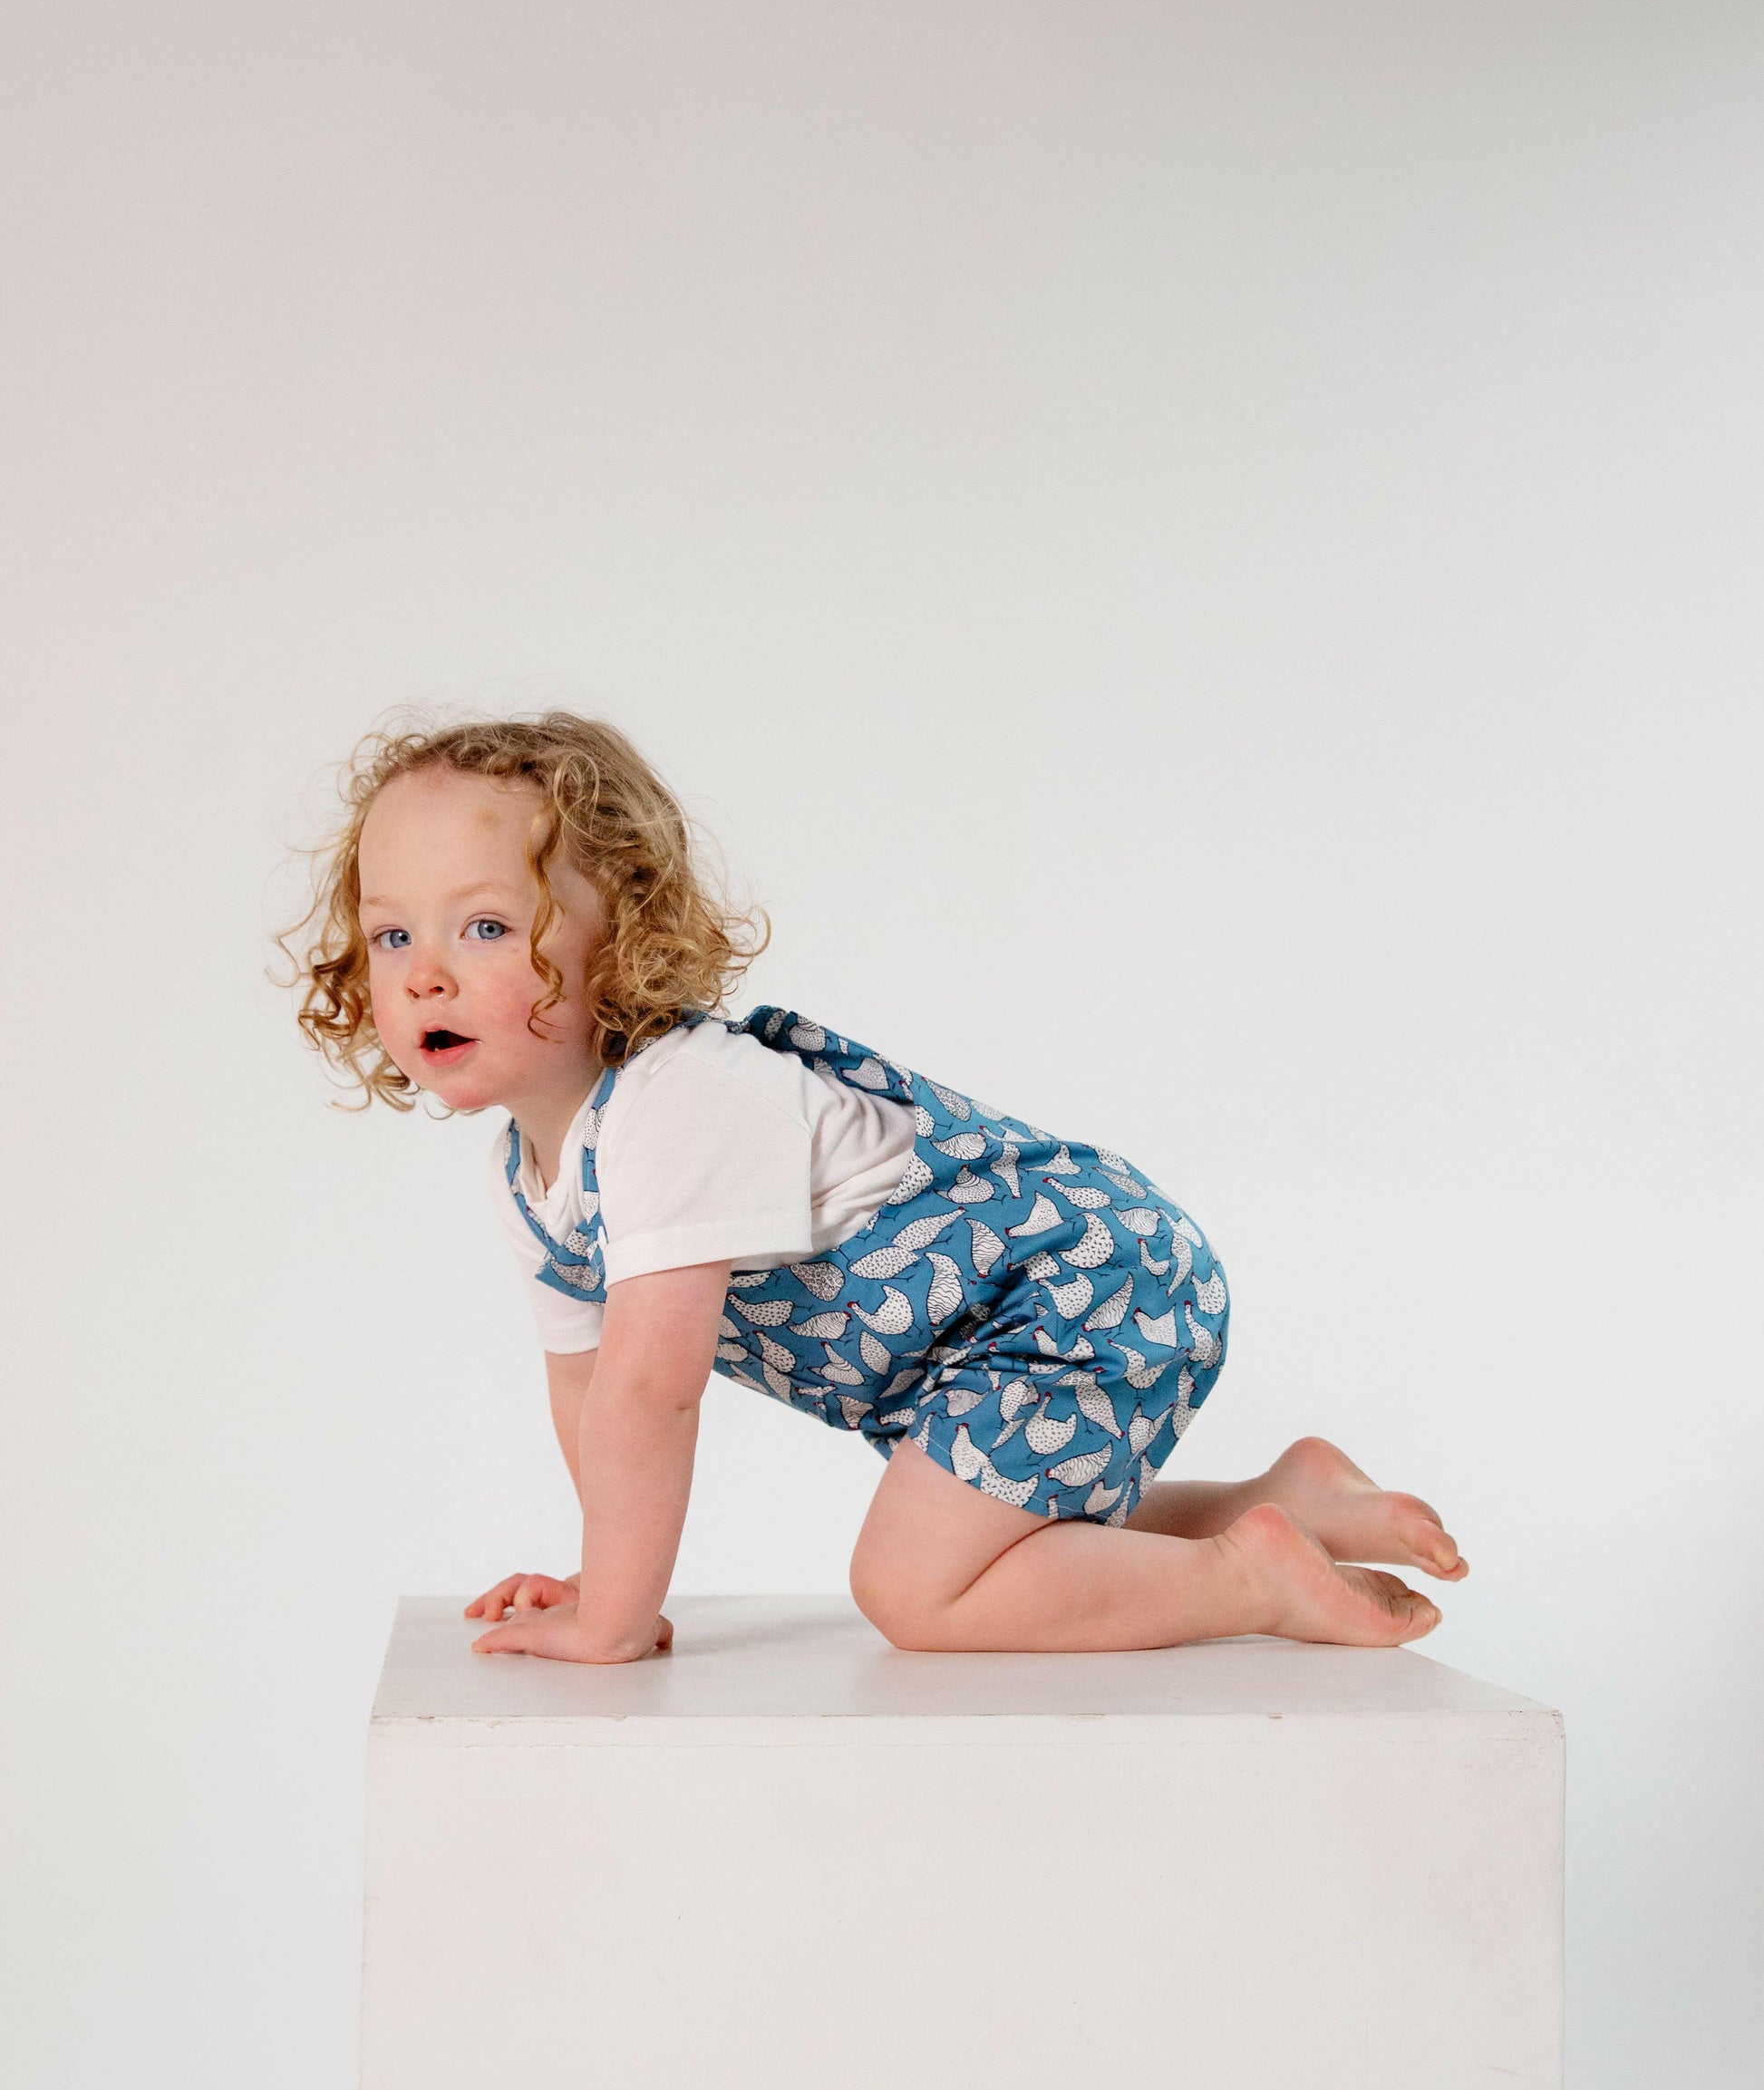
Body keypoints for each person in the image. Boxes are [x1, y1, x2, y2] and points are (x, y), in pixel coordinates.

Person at [285, 712, 1467, 1663]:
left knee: (915, 1586)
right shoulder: (531, 1169)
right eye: (391, 938)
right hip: (981, 1347)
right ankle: (1289, 1498)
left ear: (624, 938)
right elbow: (587, 1393)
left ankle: (1246, 1574)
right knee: (987, 1523)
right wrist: (609, 1578)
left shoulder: (673, 1102)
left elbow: (650, 1392)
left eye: (485, 925)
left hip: (1074, 1291)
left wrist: (613, 1623)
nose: (426, 975)